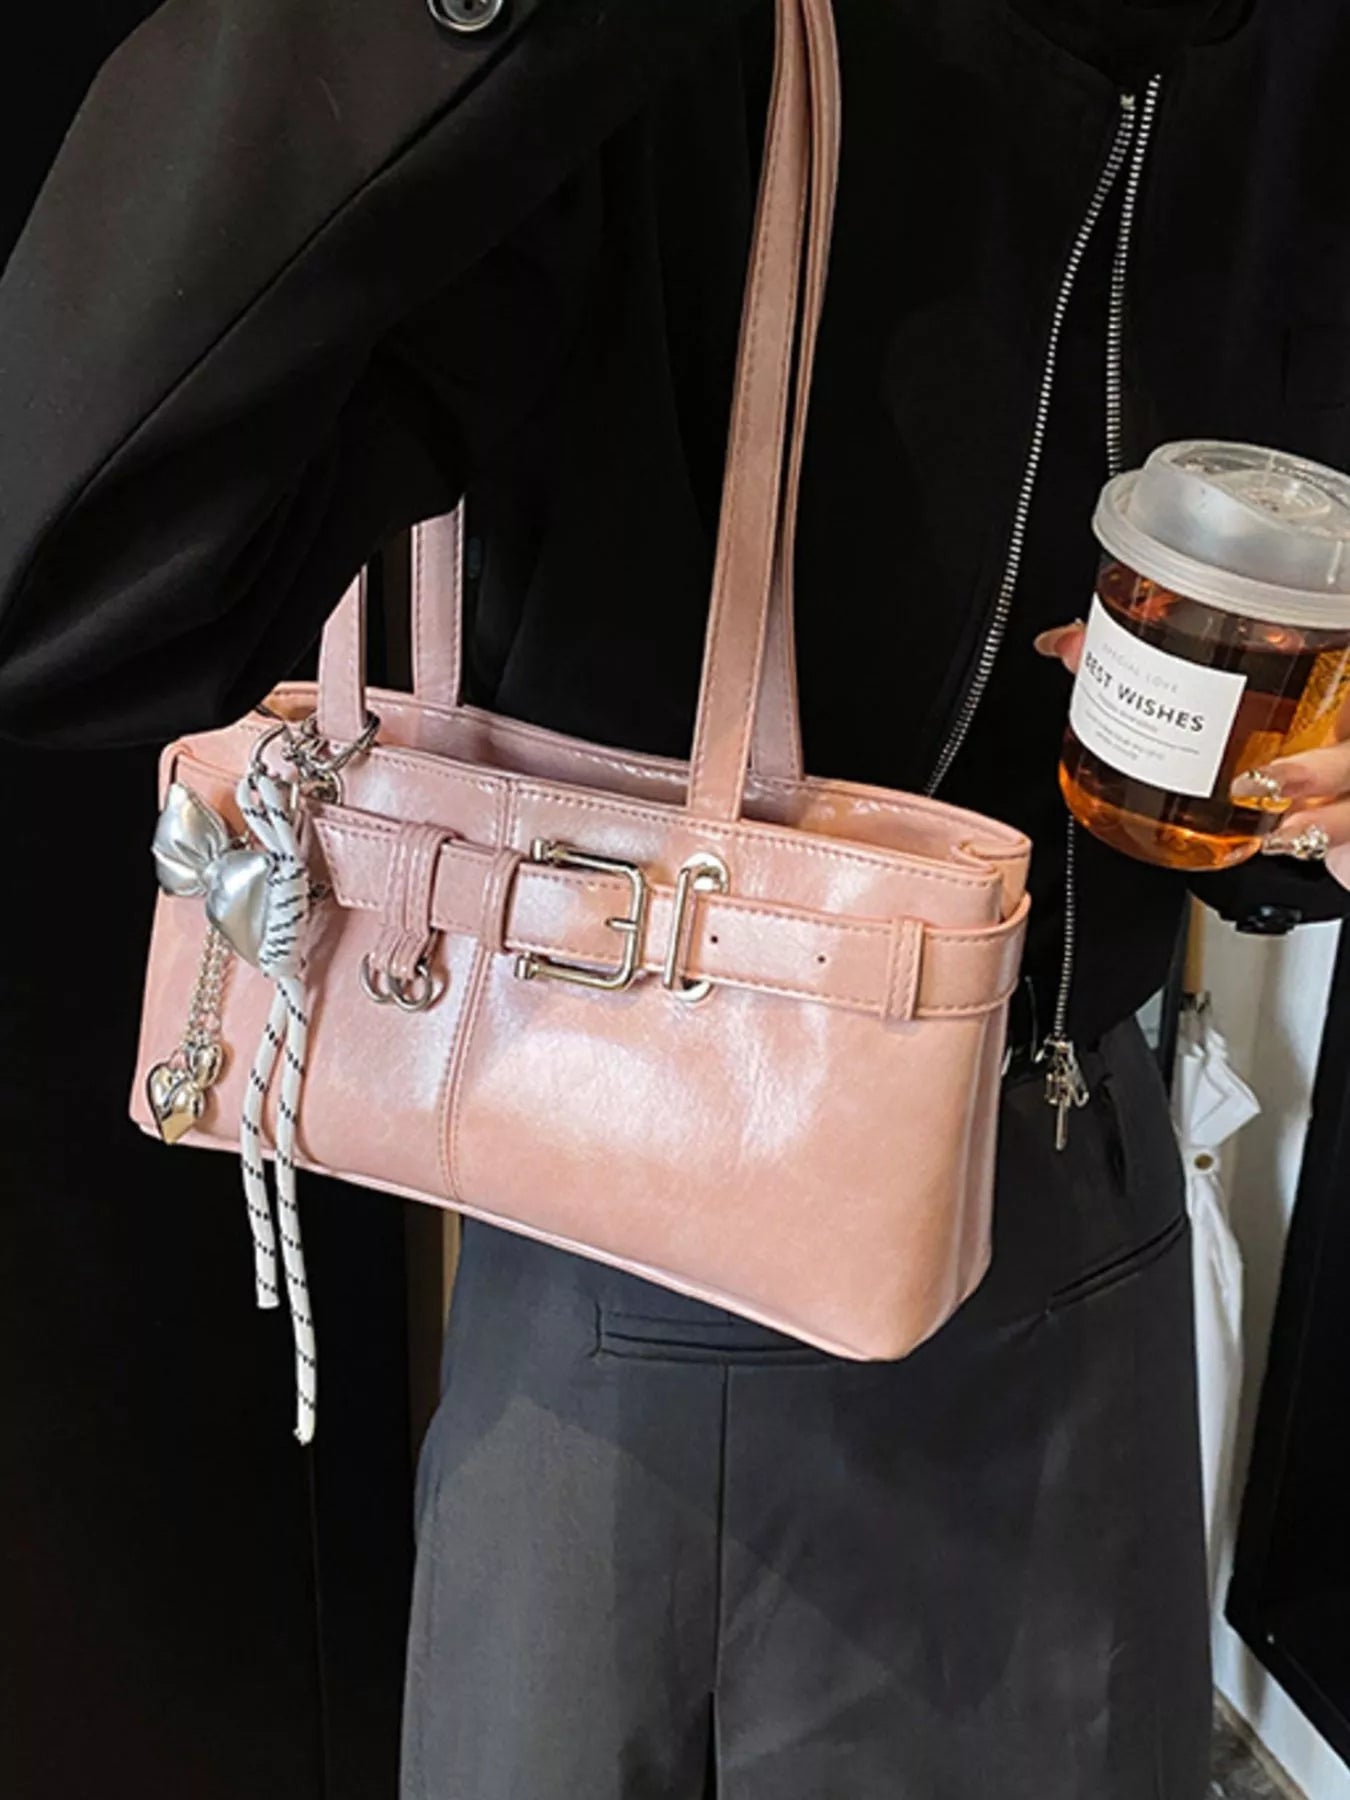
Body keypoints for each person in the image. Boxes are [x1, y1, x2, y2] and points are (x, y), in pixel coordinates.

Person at [2, 2, 1348, 1795]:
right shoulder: (676, 52)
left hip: (1085, 1187)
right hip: (665, 1157)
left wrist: (1291, 802)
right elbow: (67, 574)